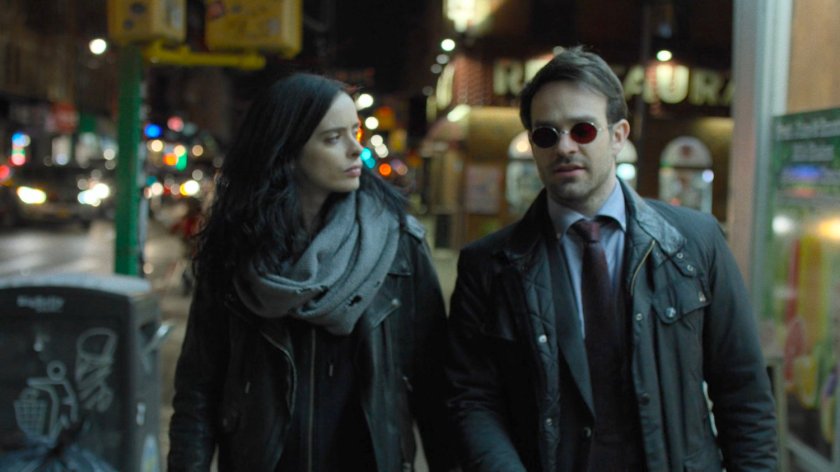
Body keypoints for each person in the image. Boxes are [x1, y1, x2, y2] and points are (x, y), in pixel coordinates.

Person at [445, 46, 777, 472]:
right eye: (546, 135)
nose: (564, 147)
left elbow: (743, 391)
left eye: (582, 130)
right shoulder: (489, 265)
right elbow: (472, 397)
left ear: (618, 135)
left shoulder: (694, 242)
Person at [168, 73, 455, 471]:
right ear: (286, 149)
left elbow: (433, 387)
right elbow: (199, 388)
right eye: (333, 138)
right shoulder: (237, 250)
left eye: (354, 132)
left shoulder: (398, 245)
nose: (357, 150)